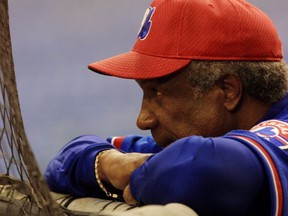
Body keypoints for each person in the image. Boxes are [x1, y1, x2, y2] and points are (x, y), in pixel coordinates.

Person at [44, 0, 288, 215]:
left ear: (228, 91)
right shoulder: (209, 138)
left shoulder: (275, 136)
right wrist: (111, 165)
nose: (143, 120)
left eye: (157, 92)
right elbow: (67, 159)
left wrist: (136, 179)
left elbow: (200, 169)